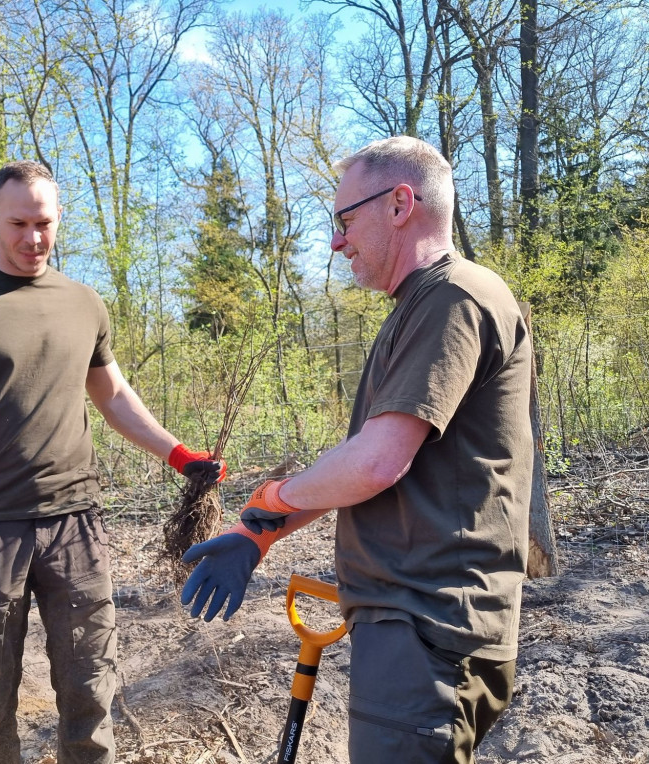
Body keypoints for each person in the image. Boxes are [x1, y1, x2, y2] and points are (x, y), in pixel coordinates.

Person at [181, 136, 533, 764]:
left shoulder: (453, 298)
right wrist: (259, 532)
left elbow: (376, 463)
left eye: (345, 219)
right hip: (410, 626)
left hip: (428, 627)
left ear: (401, 204)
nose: (337, 241)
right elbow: (362, 465)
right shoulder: (419, 308)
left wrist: (273, 497)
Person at [0, 160, 225, 764]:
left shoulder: (84, 303)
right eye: (18, 223)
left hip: (75, 526)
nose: (33, 238)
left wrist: (178, 453)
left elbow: (113, 396)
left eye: (45, 223)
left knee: (91, 691)